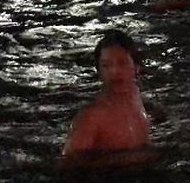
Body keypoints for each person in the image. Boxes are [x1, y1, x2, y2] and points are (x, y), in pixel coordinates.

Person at [61, 30, 154, 171]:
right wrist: (128, 158)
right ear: (99, 71)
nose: (114, 72)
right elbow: (67, 164)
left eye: (122, 63)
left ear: (136, 67)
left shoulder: (135, 94)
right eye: (106, 65)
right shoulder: (92, 117)